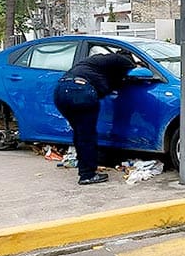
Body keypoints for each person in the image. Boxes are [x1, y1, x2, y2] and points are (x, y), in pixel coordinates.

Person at [54, 50, 137, 185]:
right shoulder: (121, 60)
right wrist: (133, 68)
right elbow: (134, 69)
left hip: (61, 91)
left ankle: (84, 167)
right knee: (87, 135)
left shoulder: (96, 63)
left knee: (80, 133)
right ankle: (87, 174)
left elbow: (110, 82)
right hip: (81, 91)